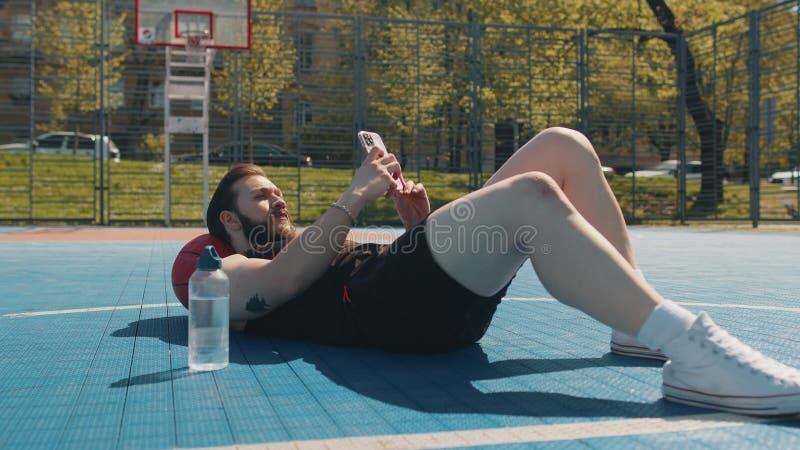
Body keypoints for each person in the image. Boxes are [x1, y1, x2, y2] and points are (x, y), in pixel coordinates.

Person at [187, 127, 800, 416]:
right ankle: (686, 345)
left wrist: (416, 225)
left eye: (276, 190)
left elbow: (348, 263)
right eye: (263, 198)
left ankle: (635, 330)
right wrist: (354, 197)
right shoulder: (228, 269)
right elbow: (282, 286)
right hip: (383, 310)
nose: (279, 200)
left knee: (564, 146)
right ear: (230, 223)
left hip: (405, 286)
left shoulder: (307, 244)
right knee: (532, 193)